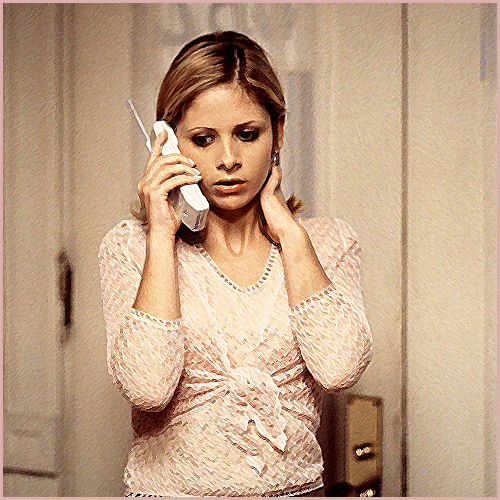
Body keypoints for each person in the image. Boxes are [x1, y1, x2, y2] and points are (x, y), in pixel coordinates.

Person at [98, 31, 373, 498]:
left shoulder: (328, 242)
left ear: (278, 131)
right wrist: (162, 234)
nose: (228, 160)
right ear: (168, 144)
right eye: (203, 139)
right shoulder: (131, 248)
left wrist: (290, 234)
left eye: (247, 135)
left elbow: (339, 370)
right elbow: (148, 387)